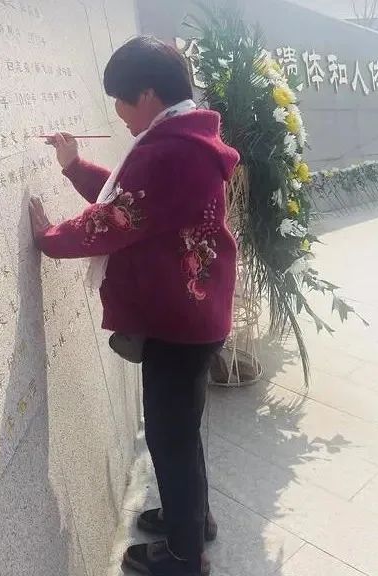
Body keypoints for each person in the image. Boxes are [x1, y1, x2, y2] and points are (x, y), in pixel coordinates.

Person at [29, 36, 239, 576]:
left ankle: (184, 557)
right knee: (181, 433)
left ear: (146, 94)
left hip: (179, 324)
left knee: (170, 439)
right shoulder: (184, 138)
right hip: (193, 314)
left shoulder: (171, 149)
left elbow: (116, 219)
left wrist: (49, 237)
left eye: (121, 101)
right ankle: (193, 519)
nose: (119, 114)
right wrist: (74, 165)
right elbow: (135, 202)